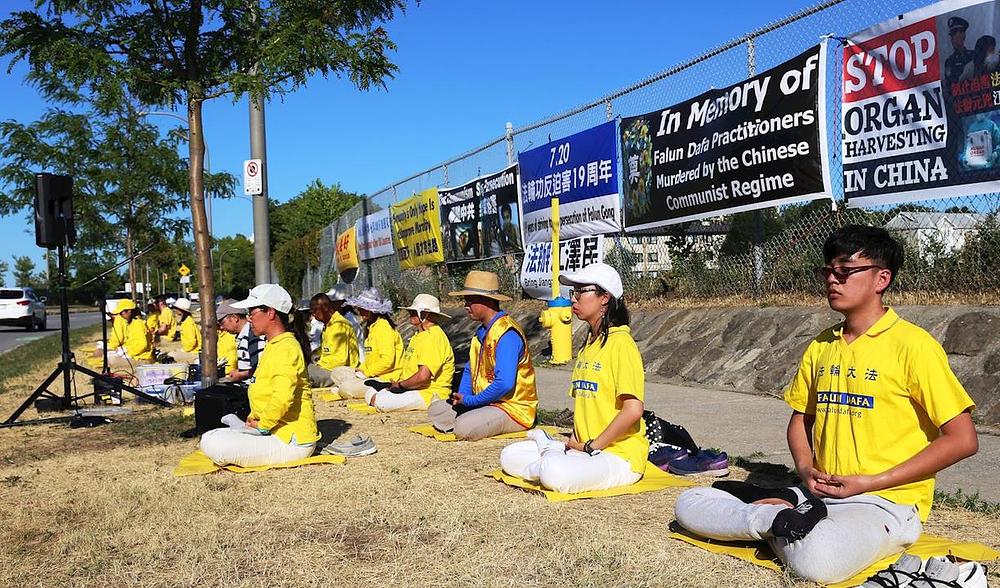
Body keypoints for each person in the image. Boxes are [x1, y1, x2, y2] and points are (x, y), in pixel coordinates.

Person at [673, 226, 978, 585]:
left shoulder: (913, 346)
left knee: (819, 563)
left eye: (845, 271)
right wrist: (805, 470)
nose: (832, 280)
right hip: (818, 494)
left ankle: (779, 514)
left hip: (884, 503)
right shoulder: (822, 345)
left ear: (882, 278)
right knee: (687, 504)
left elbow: (962, 439)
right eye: (827, 271)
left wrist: (871, 481)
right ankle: (779, 517)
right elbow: (799, 420)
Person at [499, 262, 646, 493]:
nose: (574, 299)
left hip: (618, 456)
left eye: (580, 291)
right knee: (509, 455)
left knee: (554, 474)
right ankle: (551, 452)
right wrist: (578, 447)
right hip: (584, 451)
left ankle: (550, 453)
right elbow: (584, 406)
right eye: (573, 292)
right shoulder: (589, 344)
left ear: (604, 298)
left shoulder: (621, 344)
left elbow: (633, 410)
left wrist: (591, 447)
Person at [199, 284, 320, 467]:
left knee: (213, 442)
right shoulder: (274, 345)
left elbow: (282, 397)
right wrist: (254, 417)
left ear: (270, 313)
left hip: (290, 440)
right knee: (210, 436)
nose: (248, 319)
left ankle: (243, 430)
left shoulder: (285, 347)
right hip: (274, 430)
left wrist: (262, 426)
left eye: (252, 313)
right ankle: (243, 429)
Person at [427, 271, 537, 441]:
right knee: (436, 409)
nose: (465, 306)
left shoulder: (507, 334)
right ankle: (469, 416)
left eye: (470, 301)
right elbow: (469, 370)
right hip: (485, 402)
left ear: (486, 301)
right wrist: (462, 398)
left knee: (463, 428)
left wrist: (471, 402)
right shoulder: (480, 333)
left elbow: (504, 384)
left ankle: (468, 419)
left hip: (511, 408)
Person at [364, 294, 454, 412]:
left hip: (429, 393)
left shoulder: (433, 336)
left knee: (382, 401)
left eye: (414, 312)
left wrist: (400, 386)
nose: (410, 314)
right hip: (412, 388)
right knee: (371, 392)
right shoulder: (418, 335)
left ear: (425, 314)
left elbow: (423, 377)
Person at [306, 291, 359, 387]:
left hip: (339, 373)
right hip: (328, 368)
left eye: (315, 310)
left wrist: (319, 365)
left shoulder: (339, 325)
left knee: (306, 375)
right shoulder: (328, 326)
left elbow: (340, 360)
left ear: (325, 307)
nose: (313, 314)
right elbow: (325, 351)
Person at [217, 299, 265, 383]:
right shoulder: (243, 335)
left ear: (235, 318)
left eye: (222, 322)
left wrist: (241, 374)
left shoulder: (253, 334)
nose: (221, 327)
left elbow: (260, 368)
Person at [944, 16, 974, 83]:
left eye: (955, 34)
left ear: (963, 35)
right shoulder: (949, 61)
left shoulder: (973, 55)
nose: (952, 39)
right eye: (952, 36)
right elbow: (949, 83)